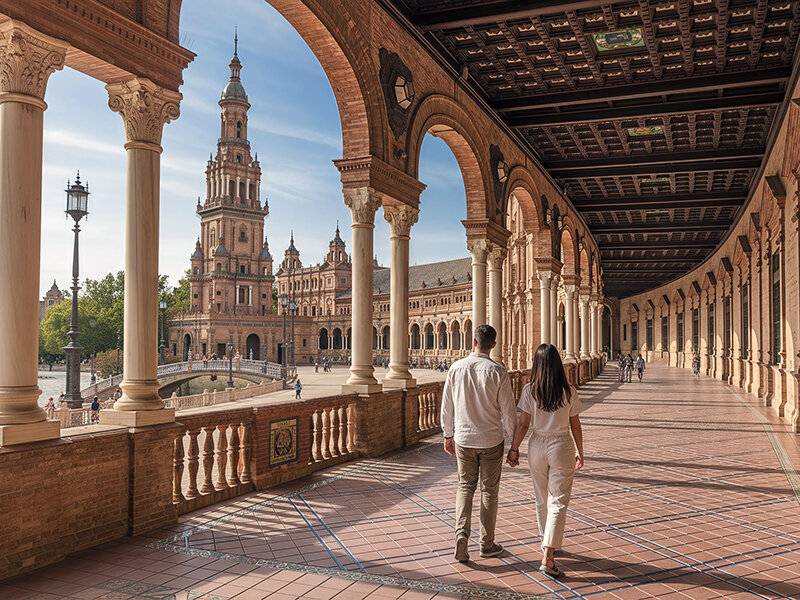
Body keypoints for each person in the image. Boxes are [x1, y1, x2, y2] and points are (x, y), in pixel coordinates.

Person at [440, 324, 517, 563]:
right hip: (492, 439)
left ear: (474, 342)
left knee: (465, 487)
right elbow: (508, 412)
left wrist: (448, 434)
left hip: (463, 438)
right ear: (493, 345)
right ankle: (487, 543)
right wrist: (513, 445)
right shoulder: (498, 372)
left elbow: (447, 406)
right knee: (489, 492)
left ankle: (461, 535)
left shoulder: (456, 368)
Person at [507, 343, 583, 579]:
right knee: (558, 500)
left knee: (542, 499)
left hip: (537, 445)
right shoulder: (568, 390)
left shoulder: (530, 390)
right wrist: (581, 451)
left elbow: (523, 424)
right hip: (562, 444)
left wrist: (514, 448)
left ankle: (546, 541)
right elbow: (575, 425)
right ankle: (548, 552)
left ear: (537, 365)